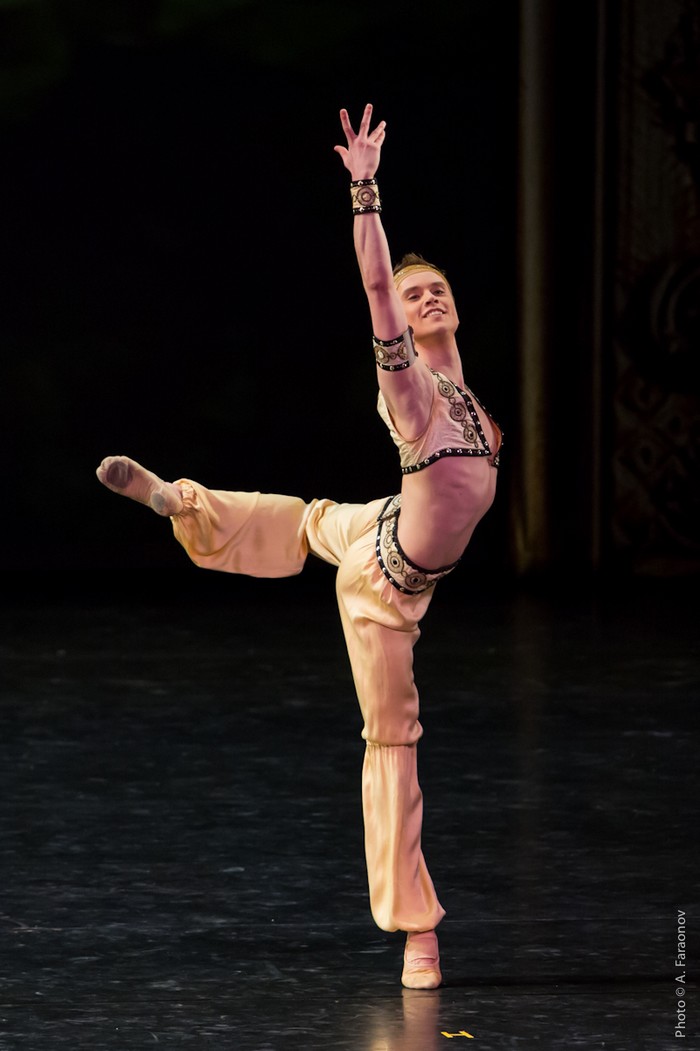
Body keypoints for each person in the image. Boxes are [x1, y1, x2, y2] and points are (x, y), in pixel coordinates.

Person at [96, 104, 502, 989]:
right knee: (393, 740)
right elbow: (377, 289)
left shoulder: (466, 394)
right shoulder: (413, 392)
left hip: (385, 521)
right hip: (385, 585)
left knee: (310, 519)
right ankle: (416, 929)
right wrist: (366, 191)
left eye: (437, 287)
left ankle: (179, 500)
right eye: (415, 293)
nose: (425, 296)